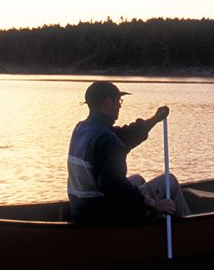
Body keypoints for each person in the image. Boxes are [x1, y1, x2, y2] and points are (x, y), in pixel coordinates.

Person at [68, 81, 191, 223]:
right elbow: (116, 188)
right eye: (118, 101)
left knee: (137, 179)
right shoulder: (106, 139)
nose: (120, 105)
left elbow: (126, 135)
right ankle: (191, 231)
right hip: (102, 215)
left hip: (82, 209)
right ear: (109, 102)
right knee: (169, 181)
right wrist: (154, 204)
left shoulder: (83, 128)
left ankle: (153, 226)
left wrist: (155, 119)